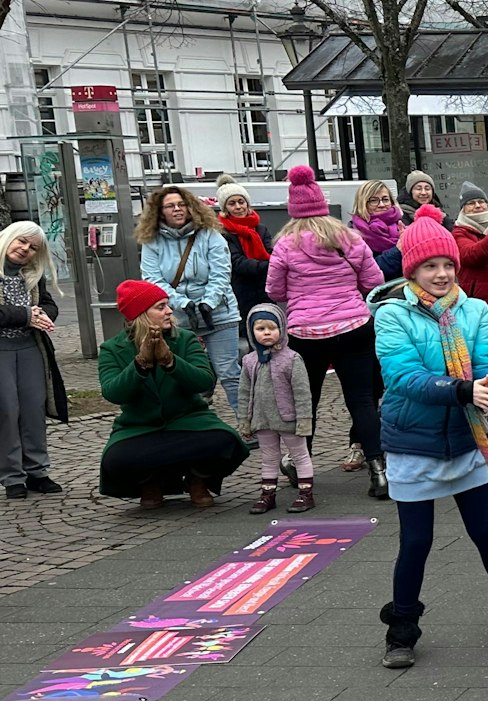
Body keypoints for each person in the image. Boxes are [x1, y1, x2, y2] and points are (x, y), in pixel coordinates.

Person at [374, 207, 488, 670]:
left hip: (466, 437)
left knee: (486, 530)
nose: (441, 274)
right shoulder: (391, 315)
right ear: (412, 269)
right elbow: (403, 377)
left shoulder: (475, 309)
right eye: (430, 266)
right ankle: (402, 631)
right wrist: (465, 390)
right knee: (416, 542)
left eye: (448, 264)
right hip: (413, 441)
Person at [267, 165, 389, 499]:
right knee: (362, 400)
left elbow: (274, 290)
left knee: (306, 401)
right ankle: (379, 470)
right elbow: (375, 281)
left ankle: (300, 466)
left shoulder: (285, 245)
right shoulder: (350, 238)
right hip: (354, 327)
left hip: (306, 333)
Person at [97, 279, 249, 509]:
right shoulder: (112, 349)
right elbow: (113, 393)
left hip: (188, 420)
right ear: (140, 314)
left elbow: (204, 380)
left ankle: (197, 479)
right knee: (115, 460)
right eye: (160, 307)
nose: (169, 311)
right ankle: (150, 482)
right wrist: (140, 364)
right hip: (139, 426)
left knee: (226, 440)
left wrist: (170, 361)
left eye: (167, 305)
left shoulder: (185, 338)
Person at [136, 184, 241, 413]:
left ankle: (247, 423)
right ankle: (189, 422)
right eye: (170, 206)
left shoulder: (209, 234)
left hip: (218, 312)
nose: (177, 209)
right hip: (177, 316)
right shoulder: (151, 241)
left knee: (229, 372)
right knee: (181, 374)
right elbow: (153, 279)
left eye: (181, 204)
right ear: (160, 211)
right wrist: (183, 303)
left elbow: (222, 272)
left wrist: (208, 302)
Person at [0, 222, 66, 499]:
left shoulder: (32, 274)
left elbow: (49, 304)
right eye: (21, 241)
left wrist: (43, 315)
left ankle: (37, 471)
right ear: (9, 238)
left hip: (30, 347)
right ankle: (12, 476)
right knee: (6, 411)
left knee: (33, 409)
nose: (25, 249)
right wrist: (27, 315)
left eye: (33, 247)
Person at [235, 304, 315, 514]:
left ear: (282, 329)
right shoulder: (249, 360)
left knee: (299, 455)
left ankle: (306, 493)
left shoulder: (292, 359)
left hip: (288, 419)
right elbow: (244, 393)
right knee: (269, 457)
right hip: (262, 420)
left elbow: (302, 392)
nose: (267, 333)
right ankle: (267, 494)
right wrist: (244, 420)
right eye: (260, 329)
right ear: (251, 331)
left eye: (272, 328)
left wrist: (304, 419)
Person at [214, 183, 272, 318]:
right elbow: (237, 263)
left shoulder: (261, 229)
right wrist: (270, 264)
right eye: (232, 203)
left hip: (265, 290)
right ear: (225, 208)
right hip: (240, 293)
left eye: (241, 202)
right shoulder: (222, 233)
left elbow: (270, 252)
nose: (238, 207)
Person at [451, 182, 488, 302]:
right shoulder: (459, 232)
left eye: (481, 201)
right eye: (471, 203)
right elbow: (471, 255)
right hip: (476, 300)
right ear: (463, 209)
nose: (477, 206)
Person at [350, 180, 407, 277]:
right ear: (363, 203)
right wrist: (397, 251)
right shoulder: (353, 234)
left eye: (385, 199)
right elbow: (367, 271)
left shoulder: (402, 224)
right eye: (373, 200)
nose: (381, 205)